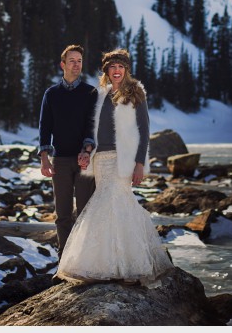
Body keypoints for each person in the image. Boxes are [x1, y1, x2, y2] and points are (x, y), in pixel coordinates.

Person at [55, 48, 173, 286]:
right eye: (112, 67)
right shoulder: (100, 94)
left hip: (123, 158)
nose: (116, 70)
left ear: (126, 69)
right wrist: (87, 152)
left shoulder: (136, 93)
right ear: (106, 70)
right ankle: (105, 264)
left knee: (118, 202)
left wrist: (140, 163)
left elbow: (144, 131)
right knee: (103, 205)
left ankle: (130, 265)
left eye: (120, 67)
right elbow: (91, 129)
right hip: (100, 159)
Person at [38, 44, 98, 257]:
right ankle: (64, 259)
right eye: (72, 61)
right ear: (63, 64)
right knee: (62, 214)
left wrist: (87, 150)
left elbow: (92, 124)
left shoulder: (90, 92)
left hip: (85, 160)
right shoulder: (51, 94)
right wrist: (44, 159)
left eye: (79, 61)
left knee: (85, 213)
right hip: (60, 160)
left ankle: (84, 258)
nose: (76, 65)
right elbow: (45, 126)